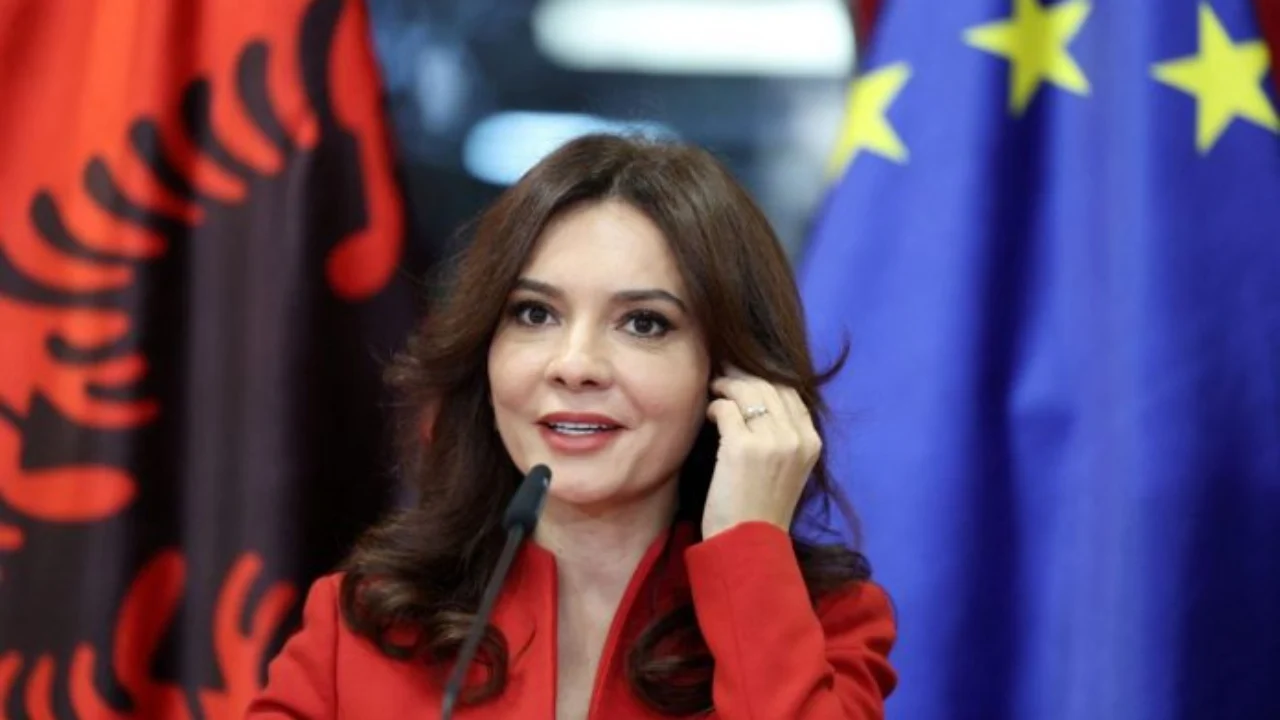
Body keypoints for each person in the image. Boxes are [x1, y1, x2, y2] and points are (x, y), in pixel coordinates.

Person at [245, 133, 897, 719]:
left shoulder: (827, 627)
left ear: (731, 377)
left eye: (643, 323)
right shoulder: (365, 621)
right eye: (534, 314)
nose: (575, 365)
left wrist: (748, 553)